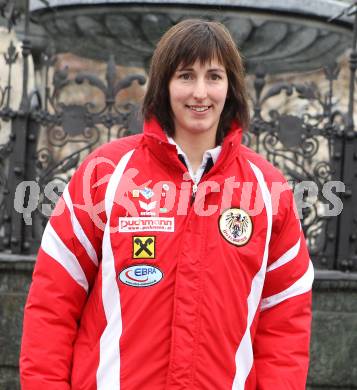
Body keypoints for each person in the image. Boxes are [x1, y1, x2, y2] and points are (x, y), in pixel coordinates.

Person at [20, 19, 314, 389]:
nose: (200, 92)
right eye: (186, 76)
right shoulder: (106, 174)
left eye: (214, 77)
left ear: (232, 87)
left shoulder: (268, 190)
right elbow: (52, 304)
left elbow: (285, 323)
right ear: (164, 85)